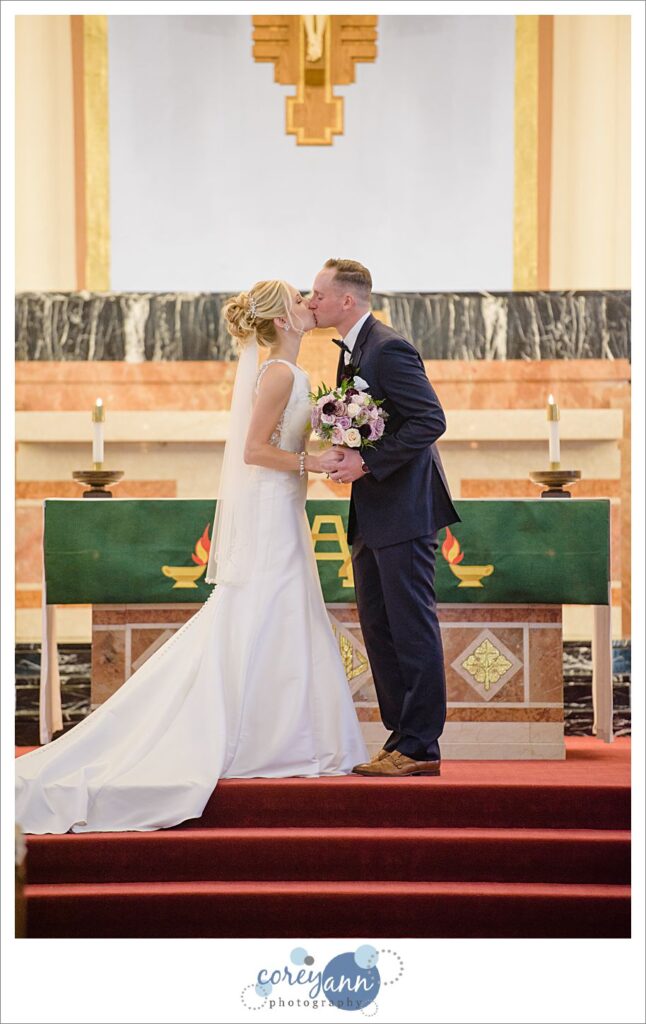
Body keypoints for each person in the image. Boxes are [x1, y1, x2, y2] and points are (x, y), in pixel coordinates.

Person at [15, 280, 368, 835]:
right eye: (300, 300)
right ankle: (272, 739)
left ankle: (291, 735)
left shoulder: (290, 373)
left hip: (283, 511)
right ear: (281, 319)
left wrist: (326, 454)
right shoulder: (279, 373)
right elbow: (254, 452)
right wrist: (315, 462)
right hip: (272, 513)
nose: (309, 304)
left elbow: (277, 447)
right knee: (265, 613)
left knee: (280, 615)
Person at [308, 258, 460, 778]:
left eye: (318, 294)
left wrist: (367, 460)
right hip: (374, 513)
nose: (312, 302)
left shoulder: (388, 347)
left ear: (346, 300)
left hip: (405, 512)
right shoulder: (356, 348)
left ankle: (421, 746)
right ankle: (401, 739)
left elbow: (430, 419)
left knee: (411, 626)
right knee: (379, 626)